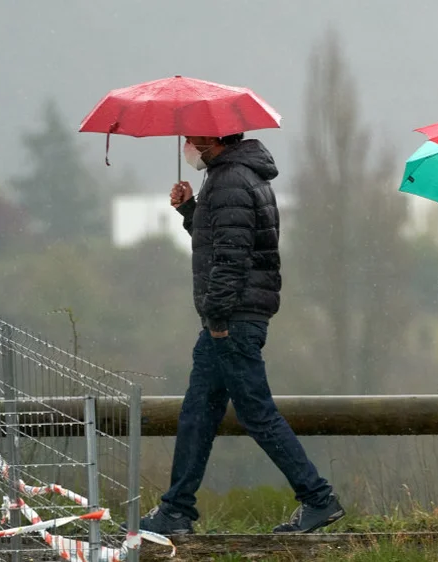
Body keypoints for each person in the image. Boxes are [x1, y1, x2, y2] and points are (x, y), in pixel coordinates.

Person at [134, 134, 344, 535]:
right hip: (233, 316)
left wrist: (216, 315)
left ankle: (318, 498)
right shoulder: (235, 176)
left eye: (194, 138)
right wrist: (189, 209)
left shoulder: (231, 179)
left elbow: (232, 255)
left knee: (256, 413)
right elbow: (219, 240)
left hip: (230, 320)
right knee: (198, 412)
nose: (189, 144)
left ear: (215, 139)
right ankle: (176, 508)